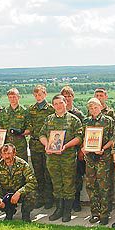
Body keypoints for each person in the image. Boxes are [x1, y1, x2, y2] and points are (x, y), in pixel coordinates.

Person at [39, 94, 83, 222]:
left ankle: (67, 211)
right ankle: (59, 209)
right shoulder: (49, 120)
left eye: (60, 103)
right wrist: (47, 144)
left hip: (67, 158)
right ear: (53, 105)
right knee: (56, 184)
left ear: (65, 103)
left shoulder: (74, 120)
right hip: (52, 158)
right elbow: (42, 134)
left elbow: (79, 137)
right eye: (56, 104)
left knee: (68, 184)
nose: (58, 106)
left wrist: (66, 145)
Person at [81, 98, 114, 225]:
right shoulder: (86, 121)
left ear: (100, 107)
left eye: (95, 107)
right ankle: (95, 213)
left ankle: (105, 214)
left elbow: (113, 138)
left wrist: (103, 148)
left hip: (103, 158)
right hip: (90, 158)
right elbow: (83, 137)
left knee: (104, 186)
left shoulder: (108, 121)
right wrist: (84, 147)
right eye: (91, 108)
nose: (93, 110)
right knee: (91, 186)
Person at [0, 144, 37, 222]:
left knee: (32, 195)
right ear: (1, 155)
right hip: (6, 194)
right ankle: (9, 211)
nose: (7, 156)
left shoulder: (22, 164)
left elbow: (32, 182)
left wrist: (19, 192)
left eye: (9, 153)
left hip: (19, 193)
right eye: (4, 154)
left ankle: (25, 214)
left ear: (14, 153)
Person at [27, 85, 55, 209]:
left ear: (45, 94)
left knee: (48, 173)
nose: (38, 97)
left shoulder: (51, 109)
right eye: (36, 95)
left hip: (48, 145)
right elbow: (28, 125)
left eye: (40, 94)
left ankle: (49, 199)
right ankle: (41, 198)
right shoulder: (31, 109)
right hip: (34, 144)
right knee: (38, 173)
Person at [60, 86, 86, 212]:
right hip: (60, 152)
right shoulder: (57, 113)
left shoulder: (78, 114)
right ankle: (64, 203)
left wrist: (81, 150)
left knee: (76, 177)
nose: (67, 98)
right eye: (64, 96)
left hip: (75, 151)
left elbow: (83, 134)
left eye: (69, 96)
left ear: (73, 97)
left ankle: (76, 200)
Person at [0, 88, 30, 161]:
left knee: (22, 168)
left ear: (18, 97)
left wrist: (21, 132)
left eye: (14, 97)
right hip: (7, 146)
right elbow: (0, 130)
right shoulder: (4, 112)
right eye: (10, 97)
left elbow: (30, 129)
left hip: (20, 146)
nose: (12, 99)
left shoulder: (24, 111)